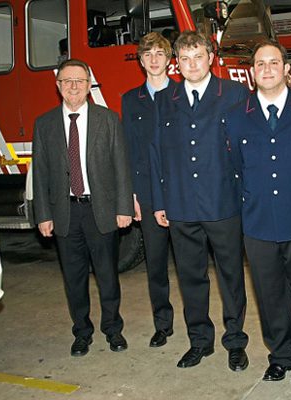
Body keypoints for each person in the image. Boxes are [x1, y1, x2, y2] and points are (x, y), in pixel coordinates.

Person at [225, 40, 291, 386]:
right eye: (259, 64)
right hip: (258, 223)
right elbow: (235, 168)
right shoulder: (237, 116)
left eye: (273, 62)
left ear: (287, 69)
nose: (266, 68)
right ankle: (280, 354)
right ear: (252, 74)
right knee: (269, 296)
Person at [149, 31, 250, 371]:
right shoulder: (166, 99)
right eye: (185, 58)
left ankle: (235, 341)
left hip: (224, 203)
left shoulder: (234, 94)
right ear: (177, 63)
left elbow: (246, 148)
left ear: (211, 58)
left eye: (198, 56)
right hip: (181, 204)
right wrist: (161, 201)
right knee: (191, 277)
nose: (192, 64)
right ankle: (200, 341)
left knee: (231, 276)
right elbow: (158, 152)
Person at [32, 59, 134, 357]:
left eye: (79, 81)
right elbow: (40, 173)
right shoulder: (45, 124)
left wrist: (123, 207)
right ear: (58, 86)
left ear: (90, 85)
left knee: (107, 276)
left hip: (100, 211)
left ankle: (113, 330)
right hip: (65, 214)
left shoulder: (108, 119)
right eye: (67, 81)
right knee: (74, 278)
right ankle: (82, 332)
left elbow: (121, 167)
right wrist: (43, 214)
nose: (73, 86)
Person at [121, 32, 177, 348]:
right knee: (156, 265)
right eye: (147, 54)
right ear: (141, 61)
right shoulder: (131, 100)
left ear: (170, 60)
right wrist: (131, 195)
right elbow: (129, 149)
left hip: (183, 194)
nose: (154, 59)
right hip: (146, 193)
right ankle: (163, 324)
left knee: (191, 267)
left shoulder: (184, 95)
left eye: (159, 53)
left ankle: (201, 327)